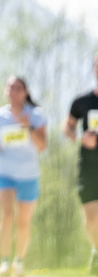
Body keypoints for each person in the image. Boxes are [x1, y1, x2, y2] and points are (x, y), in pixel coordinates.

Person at [0, 76, 47, 276]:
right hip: (3, 171)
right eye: (11, 87)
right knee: (7, 214)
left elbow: (42, 146)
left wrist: (28, 127)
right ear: (5, 91)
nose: (15, 91)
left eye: (19, 88)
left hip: (28, 173)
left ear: (25, 92)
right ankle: (4, 262)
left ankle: (19, 261)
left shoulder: (36, 115)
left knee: (23, 221)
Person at [63, 52, 98, 276]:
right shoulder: (81, 102)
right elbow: (67, 128)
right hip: (88, 166)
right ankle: (96, 248)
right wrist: (79, 138)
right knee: (92, 217)